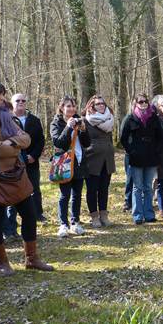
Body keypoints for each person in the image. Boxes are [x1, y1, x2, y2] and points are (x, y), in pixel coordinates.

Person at [0, 81, 54, 274]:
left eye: (3, 94)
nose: (1, 97)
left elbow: (27, 138)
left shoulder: (5, 115)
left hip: (14, 173)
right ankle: (2, 263)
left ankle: (31, 259)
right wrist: (15, 147)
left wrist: (11, 142)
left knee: (30, 215)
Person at [50, 96, 91, 236]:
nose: (71, 109)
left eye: (73, 106)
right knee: (64, 195)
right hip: (64, 163)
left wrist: (84, 130)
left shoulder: (79, 120)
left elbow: (87, 144)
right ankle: (63, 224)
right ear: (62, 108)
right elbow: (59, 143)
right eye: (68, 106)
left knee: (77, 195)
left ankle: (75, 222)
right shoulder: (56, 123)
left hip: (79, 161)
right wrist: (68, 127)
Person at [119, 94, 160, 224]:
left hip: (151, 157)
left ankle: (149, 214)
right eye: (140, 101)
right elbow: (123, 138)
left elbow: (160, 136)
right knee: (137, 187)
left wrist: (156, 150)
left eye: (145, 101)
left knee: (148, 186)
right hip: (136, 157)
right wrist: (131, 150)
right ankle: (137, 215)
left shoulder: (154, 117)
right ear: (135, 103)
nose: (143, 104)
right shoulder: (130, 118)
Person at [10, 93, 46, 221]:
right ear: (12, 103)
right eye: (17, 100)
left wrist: (34, 156)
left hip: (32, 160)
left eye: (23, 100)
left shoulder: (34, 120)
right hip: (13, 161)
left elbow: (41, 140)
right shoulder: (7, 120)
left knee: (34, 188)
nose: (21, 102)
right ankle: (12, 220)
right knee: (13, 190)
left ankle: (38, 214)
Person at [84, 95, 116, 227]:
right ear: (92, 106)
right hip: (92, 159)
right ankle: (94, 216)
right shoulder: (86, 121)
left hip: (107, 159)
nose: (101, 105)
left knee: (104, 188)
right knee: (92, 189)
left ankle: (104, 215)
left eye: (103, 103)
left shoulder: (110, 118)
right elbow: (83, 141)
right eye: (98, 104)